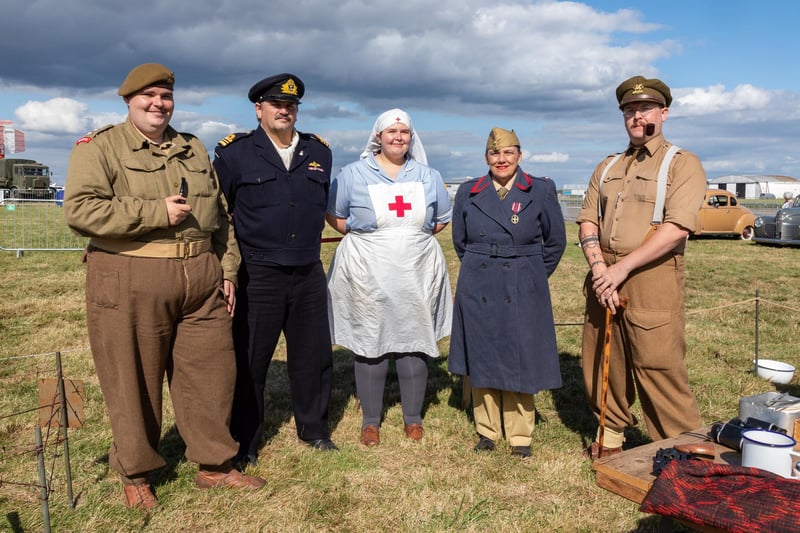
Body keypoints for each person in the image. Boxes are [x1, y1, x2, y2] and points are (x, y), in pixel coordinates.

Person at [63, 63, 265, 510]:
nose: (159, 104)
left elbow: (221, 218)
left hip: (201, 278)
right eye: (149, 96)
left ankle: (215, 464)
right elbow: (79, 211)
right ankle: (136, 472)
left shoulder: (191, 147)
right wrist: (155, 212)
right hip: (131, 275)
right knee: (133, 378)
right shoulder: (100, 148)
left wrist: (227, 271)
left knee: (212, 375)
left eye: (166, 96)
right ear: (129, 101)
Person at [577, 76, 707, 460]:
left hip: (653, 276)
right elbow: (588, 221)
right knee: (603, 360)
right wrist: (602, 270)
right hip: (604, 276)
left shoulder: (681, 163)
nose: (637, 116)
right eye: (630, 111)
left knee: (658, 363)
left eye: (645, 109)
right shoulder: (608, 165)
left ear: (663, 113)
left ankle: (688, 452)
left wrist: (622, 270)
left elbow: (676, 228)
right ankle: (610, 442)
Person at [213, 73, 337, 465]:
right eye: (277, 105)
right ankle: (245, 441)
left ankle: (314, 429)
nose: (285, 111)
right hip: (258, 273)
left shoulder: (318, 152)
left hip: (307, 269)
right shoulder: (235, 154)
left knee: (313, 356)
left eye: (291, 105)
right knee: (250, 359)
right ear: (259, 109)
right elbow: (222, 212)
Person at [326, 109, 452, 446]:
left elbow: (440, 219)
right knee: (371, 341)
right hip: (368, 265)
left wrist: (405, 237)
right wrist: (372, 237)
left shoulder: (428, 175)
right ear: (377, 136)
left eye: (404, 132)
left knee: (414, 338)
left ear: (412, 137)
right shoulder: (353, 174)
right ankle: (371, 421)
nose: (398, 137)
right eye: (391, 131)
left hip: (415, 266)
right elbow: (335, 215)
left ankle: (413, 418)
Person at [448, 127, 566, 459]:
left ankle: (519, 434)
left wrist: (531, 277)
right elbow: (460, 242)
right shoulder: (469, 191)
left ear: (519, 155)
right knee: (483, 354)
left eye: (508, 153)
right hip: (479, 281)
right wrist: (480, 267)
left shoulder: (540, 190)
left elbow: (555, 242)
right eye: (495, 154)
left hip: (523, 283)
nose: (502, 159)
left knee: (520, 356)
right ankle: (487, 430)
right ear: (486, 158)